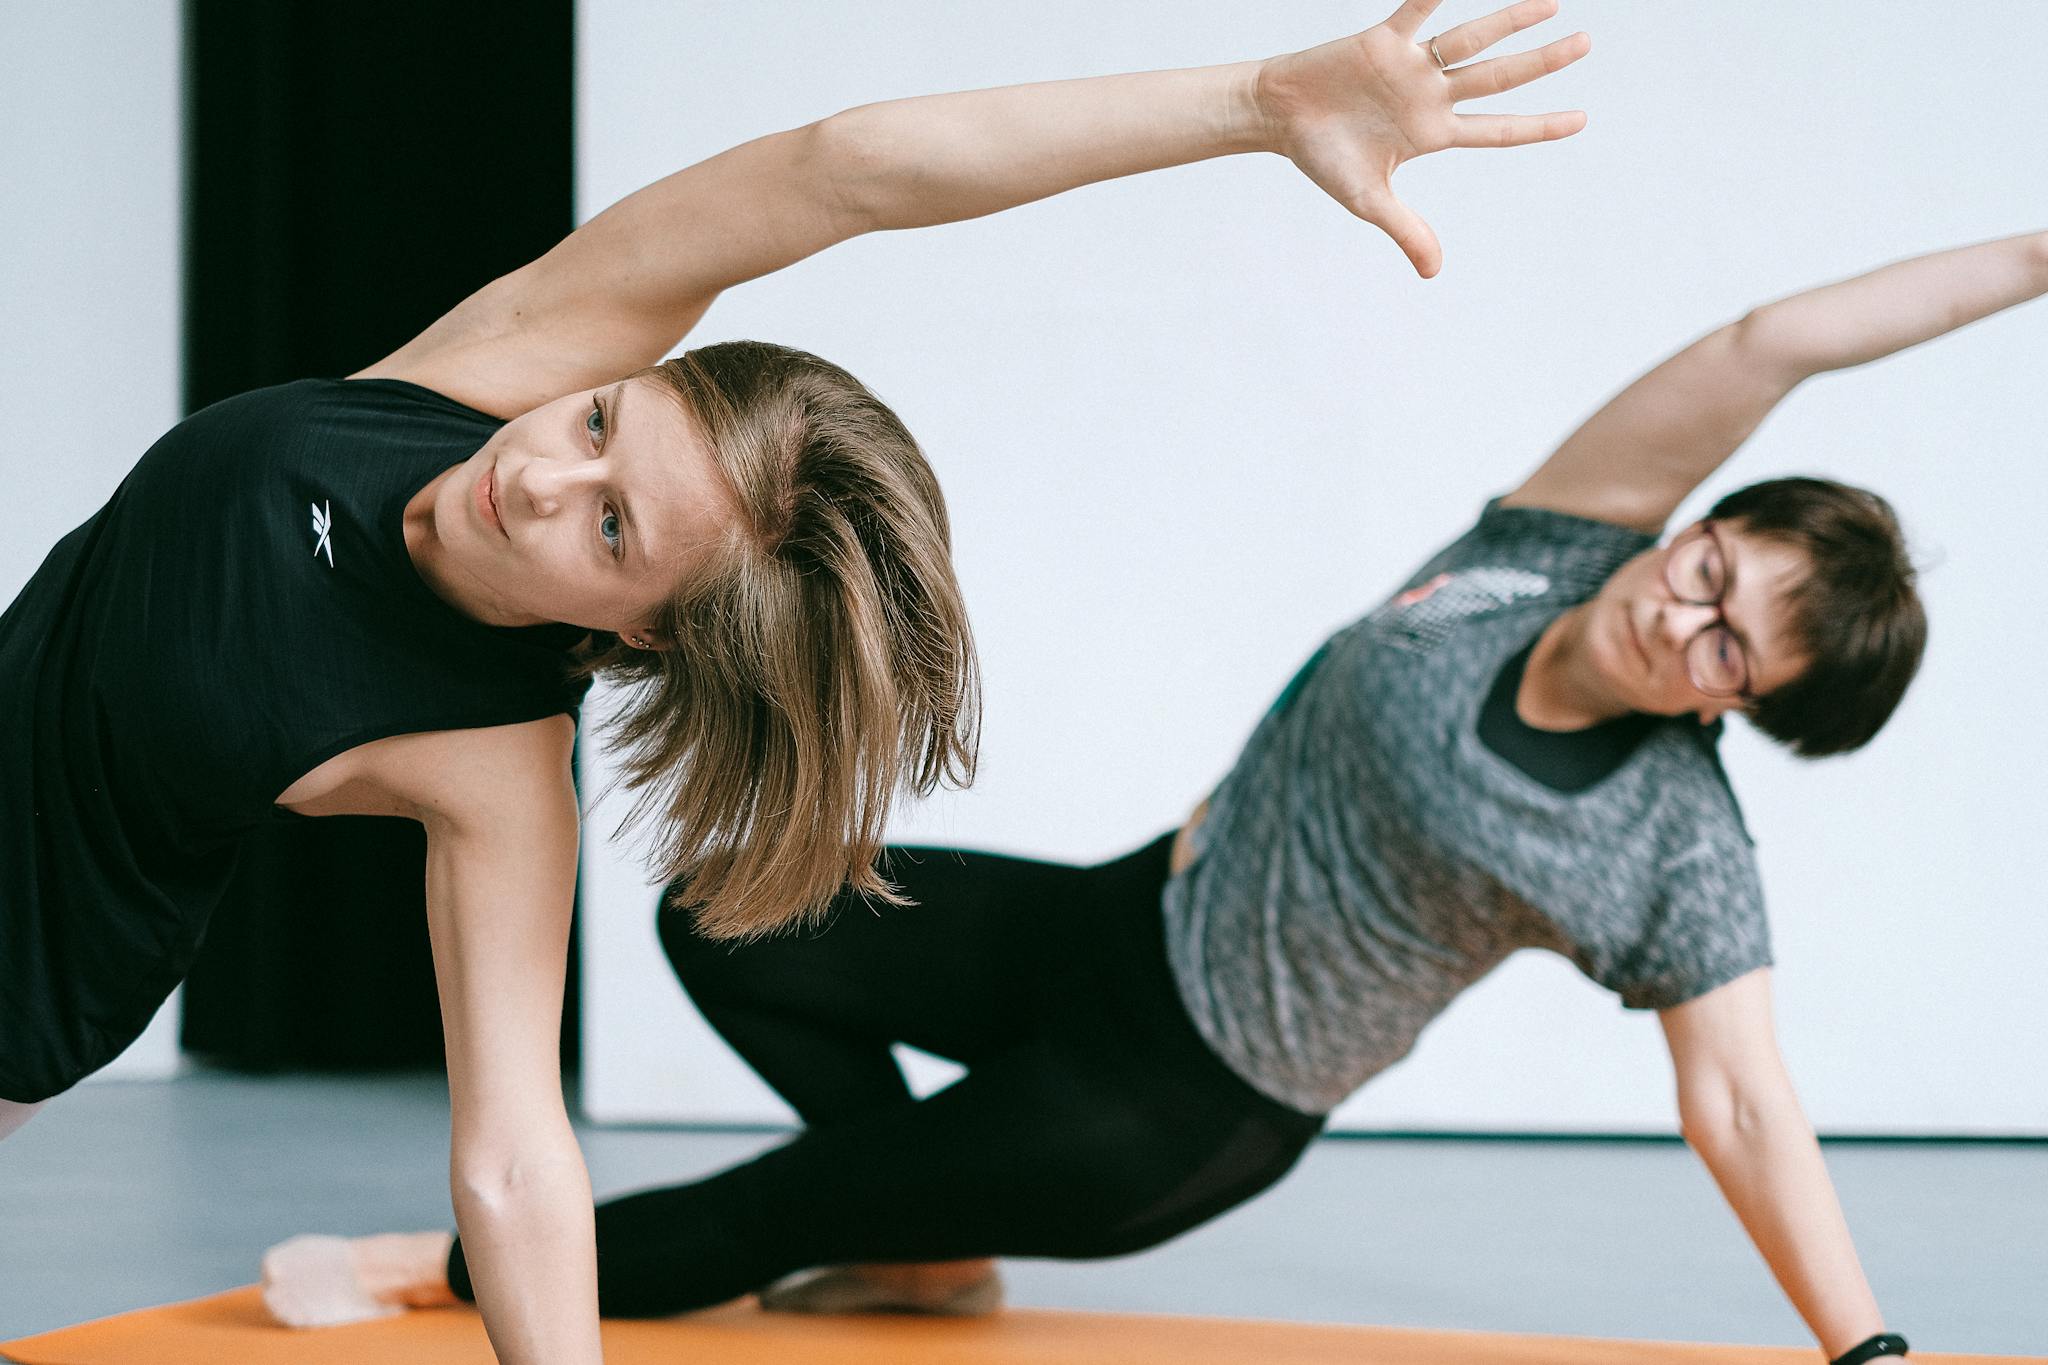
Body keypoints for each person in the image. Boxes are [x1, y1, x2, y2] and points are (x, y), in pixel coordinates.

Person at [0, 3, 1591, 1362]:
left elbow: (514, 1160)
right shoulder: (497, 366)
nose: (541, 476)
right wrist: (1248, 105)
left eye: (611, 528)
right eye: (604, 422)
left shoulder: (490, 762)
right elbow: (845, 173)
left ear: (636, 636)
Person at [272, 228, 2048, 1365]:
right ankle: (921, 1221)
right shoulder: (1544, 550)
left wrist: (1867, 1351)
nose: (1687, 616)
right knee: (724, 910)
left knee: (768, 1221)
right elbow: (1770, 340)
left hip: (1184, 1097)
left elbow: (1742, 1106)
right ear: (1702, 523)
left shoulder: (1672, 847)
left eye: (1738, 650)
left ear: (1755, 708)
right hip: (1112, 918)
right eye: (1716, 566)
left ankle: (443, 1267)